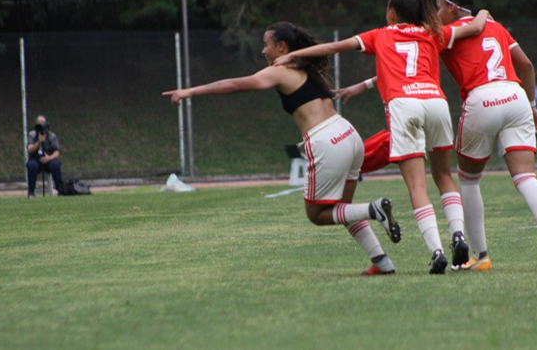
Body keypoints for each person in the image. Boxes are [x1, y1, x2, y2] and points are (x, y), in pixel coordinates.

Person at [275, 0, 489, 274]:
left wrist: (293, 56)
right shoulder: (433, 33)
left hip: (405, 106)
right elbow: (475, 25)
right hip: (436, 103)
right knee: (444, 176)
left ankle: (437, 251)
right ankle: (458, 236)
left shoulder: (381, 34)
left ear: (391, 14)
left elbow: (333, 48)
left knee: (417, 186)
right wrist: (485, 13)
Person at [162, 22, 400, 276]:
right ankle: (382, 263)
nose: (263, 51)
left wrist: (190, 91)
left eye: (267, 45)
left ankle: (373, 209)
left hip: (325, 140)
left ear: (282, 47)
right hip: (348, 133)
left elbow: (235, 85)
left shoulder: (280, 70)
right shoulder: (306, 67)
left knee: (318, 214)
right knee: (342, 209)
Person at [436, 0, 537, 270]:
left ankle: (481, 256)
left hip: (481, 98)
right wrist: (532, 104)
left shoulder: (446, 34)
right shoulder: (495, 27)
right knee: (525, 177)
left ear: (452, 9)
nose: (436, 14)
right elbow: (527, 65)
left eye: (438, 8)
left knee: (468, 181)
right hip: (515, 95)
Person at [26, 115, 64, 198]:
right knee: (31, 165)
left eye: (42, 122)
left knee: (55, 165)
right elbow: (30, 149)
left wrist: (49, 158)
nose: (40, 124)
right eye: (38, 122)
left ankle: (60, 190)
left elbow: (57, 151)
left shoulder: (51, 135)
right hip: (36, 160)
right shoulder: (32, 135)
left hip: (48, 159)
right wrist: (39, 142)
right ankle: (31, 192)